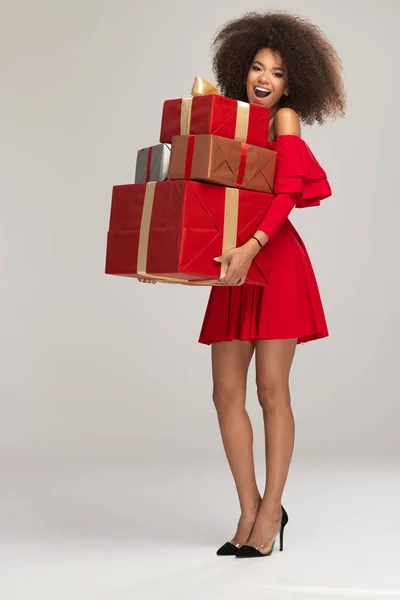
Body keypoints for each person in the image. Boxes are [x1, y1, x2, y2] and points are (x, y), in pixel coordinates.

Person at [140, 11, 346, 559]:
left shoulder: (284, 120)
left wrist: (251, 246)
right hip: (232, 263)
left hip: (271, 258)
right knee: (225, 394)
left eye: (276, 73)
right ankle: (251, 506)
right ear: (241, 71)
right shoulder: (228, 123)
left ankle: (272, 508)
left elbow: (284, 194)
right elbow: (203, 197)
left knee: (270, 391)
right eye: (257, 68)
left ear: (290, 82)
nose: (264, 79)